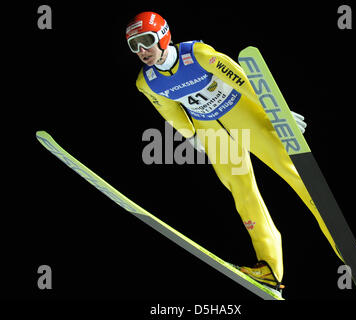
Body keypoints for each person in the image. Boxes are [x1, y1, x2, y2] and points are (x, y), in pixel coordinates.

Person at [126, 11, 342, 291]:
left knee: (293, 173)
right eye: (135, 45)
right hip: (209, 128)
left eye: (146, 40)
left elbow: (244, 80)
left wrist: (277, 110)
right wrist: (191, 136)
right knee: (242, 191)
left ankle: (343, 244)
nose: (143, 51)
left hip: (242, 113)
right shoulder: (147, 82)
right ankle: (270, 269)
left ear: (163, 35)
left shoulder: (200, 54)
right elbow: (169, 110)